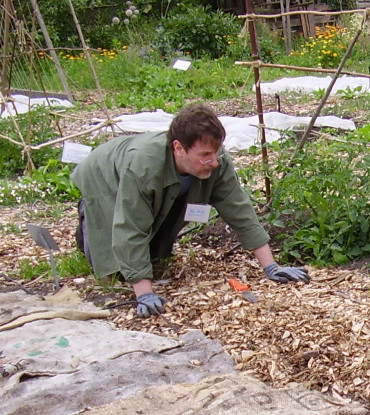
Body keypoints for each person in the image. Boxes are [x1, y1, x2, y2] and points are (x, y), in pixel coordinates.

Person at [73, 102, 308, 317]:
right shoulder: (144, 166)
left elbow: (239, 210)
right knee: (112, 267)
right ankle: (86, 234)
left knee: (154, 241)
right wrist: (144, 293)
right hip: (103, 175)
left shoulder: (216, 161)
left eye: (216, 152)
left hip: (148, 176)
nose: (214, 161)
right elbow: (130, 226)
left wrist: (271, 266)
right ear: (178, 148)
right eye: (205, 155)